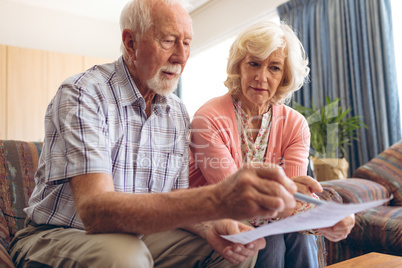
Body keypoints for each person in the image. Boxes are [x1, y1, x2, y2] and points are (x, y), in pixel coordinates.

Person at [7, 1, 306, 267]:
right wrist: (216, 199)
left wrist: (210, 226)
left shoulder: (176, 111)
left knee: (236, 245)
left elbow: (175, 196)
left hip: (141, 236)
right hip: (61, 234)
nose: (180, 56)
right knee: (127, 256)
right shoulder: (84, 94)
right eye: (168, 41)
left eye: (187, 43)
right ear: (130, 42)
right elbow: (95, 212)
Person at [188, 20, 355, 268]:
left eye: (274, 68)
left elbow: (293, 196)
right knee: (273, 240)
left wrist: (313, 211)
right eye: (253, 63)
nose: (261, 77)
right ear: (239, 67)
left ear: (284, 76)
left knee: (295, 235)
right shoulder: (208, 118)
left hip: (267, 217)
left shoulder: (296, 125)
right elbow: (234, 197)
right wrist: (321, 216)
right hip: (213, 215)